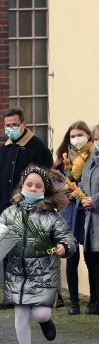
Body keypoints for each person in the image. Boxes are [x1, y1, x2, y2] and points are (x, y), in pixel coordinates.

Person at [0, 166, 75, 344]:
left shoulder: (52, 217)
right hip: (17, 272)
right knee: (21, 314)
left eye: (38, 186)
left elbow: (67, 237)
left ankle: (46, 322)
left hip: (43, 272)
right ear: (22, 186)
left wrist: (64, 247)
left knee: (41, 313)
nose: (33, 189)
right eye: (29, 185)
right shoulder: (11, 212)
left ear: (45, 189)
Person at [0, 107, 53, 309]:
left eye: (14, 124)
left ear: (23, 124)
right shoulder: (5, 148)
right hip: (7, 207)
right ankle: (9, 295)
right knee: (8, 253)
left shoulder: (37, 147)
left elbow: (47, 177)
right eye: (7, 125)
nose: (10, 128)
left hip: (29, 209)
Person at [53, 121, 93, 314]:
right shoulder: (63, 160)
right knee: (71, 257)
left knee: (91, 258)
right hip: (69, 212)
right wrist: (64, 191)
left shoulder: (92, 157)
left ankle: (94, 300)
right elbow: (55, 184)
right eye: (73, 136)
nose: (76, 139)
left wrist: (81, 192)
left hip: (87, 211)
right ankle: (74, 302)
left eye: (80, 135)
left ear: (89, 136)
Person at [78, 124, 99, 316]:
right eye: (97, 139)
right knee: (91, 262)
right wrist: (82, 199)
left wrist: (95, 200)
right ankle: (94, 301)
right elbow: (81, 187)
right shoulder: (91, 162)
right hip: (90, 222)